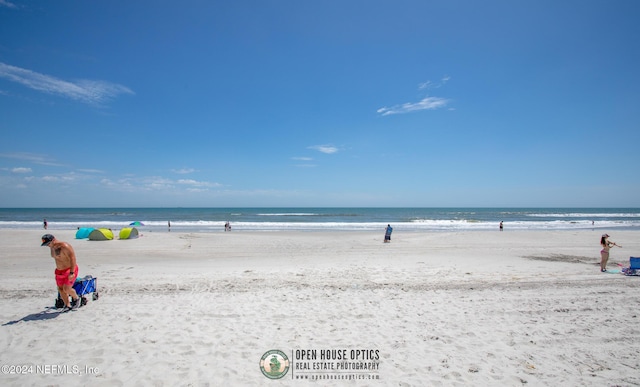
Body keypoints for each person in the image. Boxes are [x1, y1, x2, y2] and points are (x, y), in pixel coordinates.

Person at [41, 234, 80, 311]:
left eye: (48, 243)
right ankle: (67, 305)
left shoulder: (64, 246)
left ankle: (76, 298)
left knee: (67, 288)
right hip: (59, 271)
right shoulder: (52, 247)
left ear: (53, 240)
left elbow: (73, 258)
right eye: (46, 244)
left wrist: (72, 272)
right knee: (60, 289)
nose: (48, 245)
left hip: (69, 269)